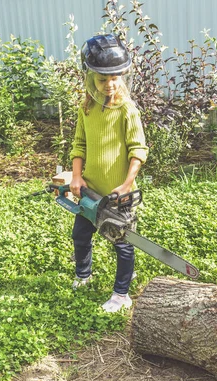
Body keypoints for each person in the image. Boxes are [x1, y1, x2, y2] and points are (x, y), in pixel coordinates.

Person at [69, 34, 148, 313]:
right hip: (90, 191)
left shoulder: (126, 109)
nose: (109, 84)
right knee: (80, 235)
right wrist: (77, 177)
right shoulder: (86, 108)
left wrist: (127, 184)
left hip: (118, 194)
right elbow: (79, 144)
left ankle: (121, 293)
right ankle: (83, 274)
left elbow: (138, 150)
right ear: (90, 77)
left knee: (123, 244)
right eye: (102, 79)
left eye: (115, 77)